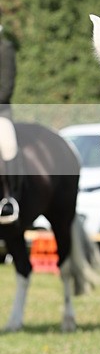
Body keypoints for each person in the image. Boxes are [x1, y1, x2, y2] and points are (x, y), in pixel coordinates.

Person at [0, 24, 23, 223]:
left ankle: (9, 198)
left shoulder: (5, 48)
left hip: (1, 112)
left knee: (8, 146)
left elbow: (6, 88)